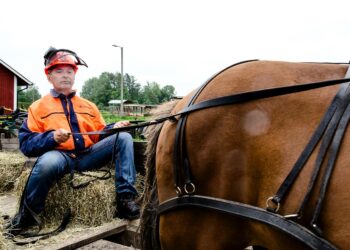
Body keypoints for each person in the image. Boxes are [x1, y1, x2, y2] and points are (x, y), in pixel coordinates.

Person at [6, 47, 140, 235]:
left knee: (124, 137)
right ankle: (27, 215)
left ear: (75, 75)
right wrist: (52, 137)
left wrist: (113, 128)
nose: (65, 75)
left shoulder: (89, 106)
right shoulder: (37, 107)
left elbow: (97, 134)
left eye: (70, 71)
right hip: (61, 157)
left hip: (88, 156)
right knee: (47, 163)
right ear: (49, 76)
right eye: (59, 71)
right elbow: (27, 144)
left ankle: (125, 199)